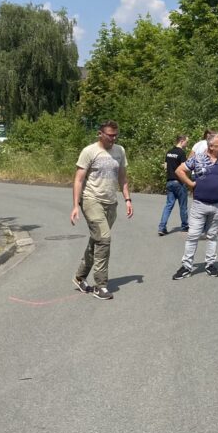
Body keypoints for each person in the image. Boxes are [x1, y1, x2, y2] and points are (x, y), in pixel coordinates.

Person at [70, 121, 132, 300]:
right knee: (104, 239)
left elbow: (122, 177)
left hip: (111, 203)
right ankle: (100, 285)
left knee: (97, 241)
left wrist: (128, 199)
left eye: (115, 135)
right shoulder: (89, 151)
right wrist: (75, 205)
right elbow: (78, 180)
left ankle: (80, 277)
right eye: (110, 135)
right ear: (100, 134)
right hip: (91, 200)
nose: (113, 138)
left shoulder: (120, 151)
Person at [173, 132, 218, 279]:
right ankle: (187, 266)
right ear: (211, 146)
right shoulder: (198, 159)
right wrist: (191, 184)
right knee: (193, 236)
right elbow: (179, 170)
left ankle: (210, 264)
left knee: (212, 236)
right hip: (200, 204)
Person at [158, 135, 189, 236]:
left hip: (169, 181)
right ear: (181, 141)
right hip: (179, 182)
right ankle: (184, 226)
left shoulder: (169, 152)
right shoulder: (181, 153)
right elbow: (184, 168)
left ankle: (162, 227)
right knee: (183, 206)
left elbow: (166, 167)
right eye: (186, 142)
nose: (187, 144)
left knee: (168, 205)